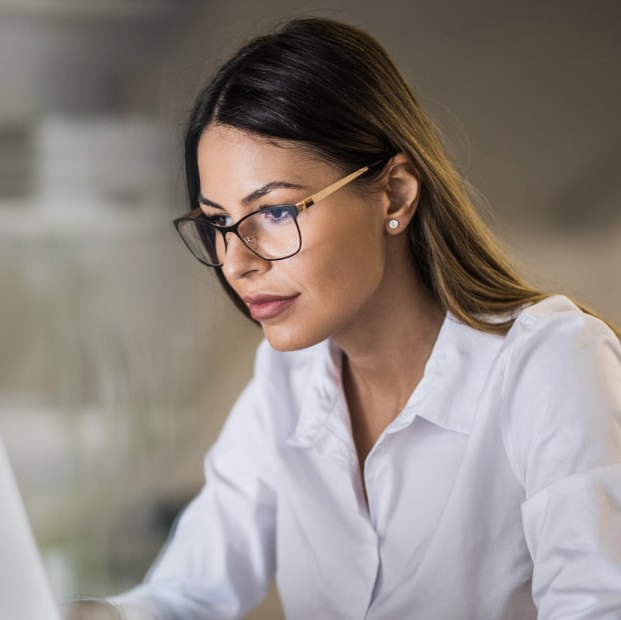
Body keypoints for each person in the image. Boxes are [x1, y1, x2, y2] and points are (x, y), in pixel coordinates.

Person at [63, 17, 621, 620]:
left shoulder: (551, 362)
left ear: (396, 194)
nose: (236, 261)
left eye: (274, 211)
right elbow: (185, 595)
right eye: (217, 222)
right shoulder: (287, 381)